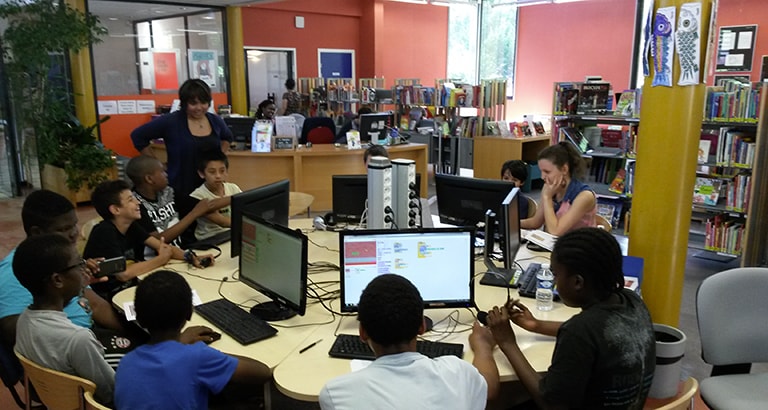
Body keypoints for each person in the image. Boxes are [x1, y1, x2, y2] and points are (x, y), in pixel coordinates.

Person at [473, 228, 655, 409]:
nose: (553, 282)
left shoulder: (579, 332)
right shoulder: (631, 301)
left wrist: (507, 342)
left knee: (497, 400)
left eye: (556, 275)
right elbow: (601, 334)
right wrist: (536, 325)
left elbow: (551, 405)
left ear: (577, 282)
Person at [0, 190, 135, 368]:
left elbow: (94, 304)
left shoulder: (63, 257)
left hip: (90, 334)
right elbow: (11, 330)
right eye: (64, 229)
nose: (74, 234)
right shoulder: (16, 270)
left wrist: (135, 331)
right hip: (66, 355)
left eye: (74, 225)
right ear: (37, 232)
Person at [319, 274, 488, 409]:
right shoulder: (459, 373)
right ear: (422, 326)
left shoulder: (335, 394)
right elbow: (488, 387)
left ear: (362, 333)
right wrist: (483, 346)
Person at [114, 270, 271, 409]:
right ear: (189, 313)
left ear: (139, 318)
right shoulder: (197, 357)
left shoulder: (126, 363)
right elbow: (263, 373)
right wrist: (213, 356)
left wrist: (180, 346)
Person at [13, 234, 115, 405]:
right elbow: (112, 393)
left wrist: (80, 286)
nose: (84, 269)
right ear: (57, 280)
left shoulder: (24, 320)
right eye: (79, 264)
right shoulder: (78, 339)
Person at [83, 180, 213, 299]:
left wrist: (190, 256)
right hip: (110, 296)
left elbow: (162, 246)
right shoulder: (104, 232)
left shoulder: (130, 224)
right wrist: (161, 259)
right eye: (130, 200)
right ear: (116, 209)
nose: (138, 202)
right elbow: (123, 275)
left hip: (132, 286)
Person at [130, 79, 233, 202]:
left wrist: (219, 157)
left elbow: (228, 137)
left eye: (203, 102)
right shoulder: (171, 121)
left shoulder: (215, 121)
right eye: (193, 103)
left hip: (210, 186)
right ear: (184, 103)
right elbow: (138, 136)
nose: (199, 108)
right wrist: (157, 165)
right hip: (181, 186)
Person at [126, 155, 227, 251]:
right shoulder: (135, 205)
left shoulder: (168, 192)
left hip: (179, 254)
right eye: (162, 172)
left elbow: (206, 206)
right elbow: (157, 240)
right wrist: (194, 214)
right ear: (149, 179)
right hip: (153, 261)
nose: (166, 174)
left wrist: (237, 198)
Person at [521, 141, 596, 234]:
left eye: (547, 172)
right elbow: (535, 222)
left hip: (579, 245)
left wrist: (547, 198)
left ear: (564, 169)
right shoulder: (549, 188)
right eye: (541, 171)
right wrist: (505, 223)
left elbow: (556, 231)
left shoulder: (584, 196)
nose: (542, 177)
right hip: (556, 244)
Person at [189, 150, 241, 240]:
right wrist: (246, 225)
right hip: (210, 239)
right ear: (201, 174)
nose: (218, 176)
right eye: (212, 172)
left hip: (231, 234)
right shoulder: (197, 195)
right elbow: (222, 222)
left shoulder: (233, 188)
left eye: (222, 171)